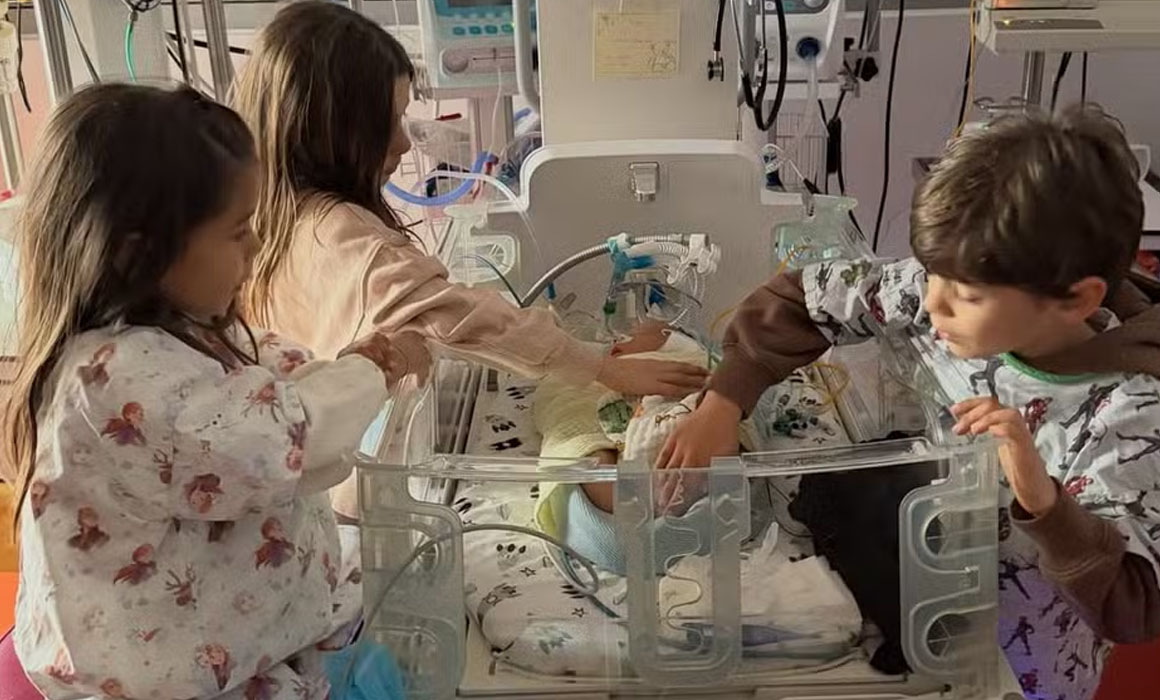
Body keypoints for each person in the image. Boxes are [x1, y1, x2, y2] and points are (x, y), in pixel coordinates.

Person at [657, 107, 1160, 699]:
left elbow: (1142, 605)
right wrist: (723, 403)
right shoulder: (939, 294)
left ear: (1075, 300)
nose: (932, 304)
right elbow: (803, 296)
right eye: (930, 274)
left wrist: (1042, 499)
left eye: (963, 294)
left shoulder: (1123, 413)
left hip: (1025, 665)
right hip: (936, 607)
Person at [0, 84, 405, 700]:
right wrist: (369, 373)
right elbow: (282, 439)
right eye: (238, 232)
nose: (256, 247)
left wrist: (347, 365)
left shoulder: (183, 332)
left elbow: (269, 369)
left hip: (219, 643)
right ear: (140, 255)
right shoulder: (117, 378)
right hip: (154, 678)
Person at [231, 2, 706, 516]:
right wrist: (603, 369)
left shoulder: (267, 222)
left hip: (315, 482)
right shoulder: (344, 235)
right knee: (588, 454)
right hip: (358, 486)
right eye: (389, 122)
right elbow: (461, 317)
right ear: (327, 127)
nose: (402, 142)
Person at [531, 322, 758, 573]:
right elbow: (556, 393)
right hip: (604, 402)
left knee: (714, 416)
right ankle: (650, 491)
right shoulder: (589, 365)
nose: (619, 341)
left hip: (678, 410)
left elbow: (729, 374)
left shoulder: (692, 352)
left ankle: (665, 483)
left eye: (627, 337)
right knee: (584, 442)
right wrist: (606, 368)